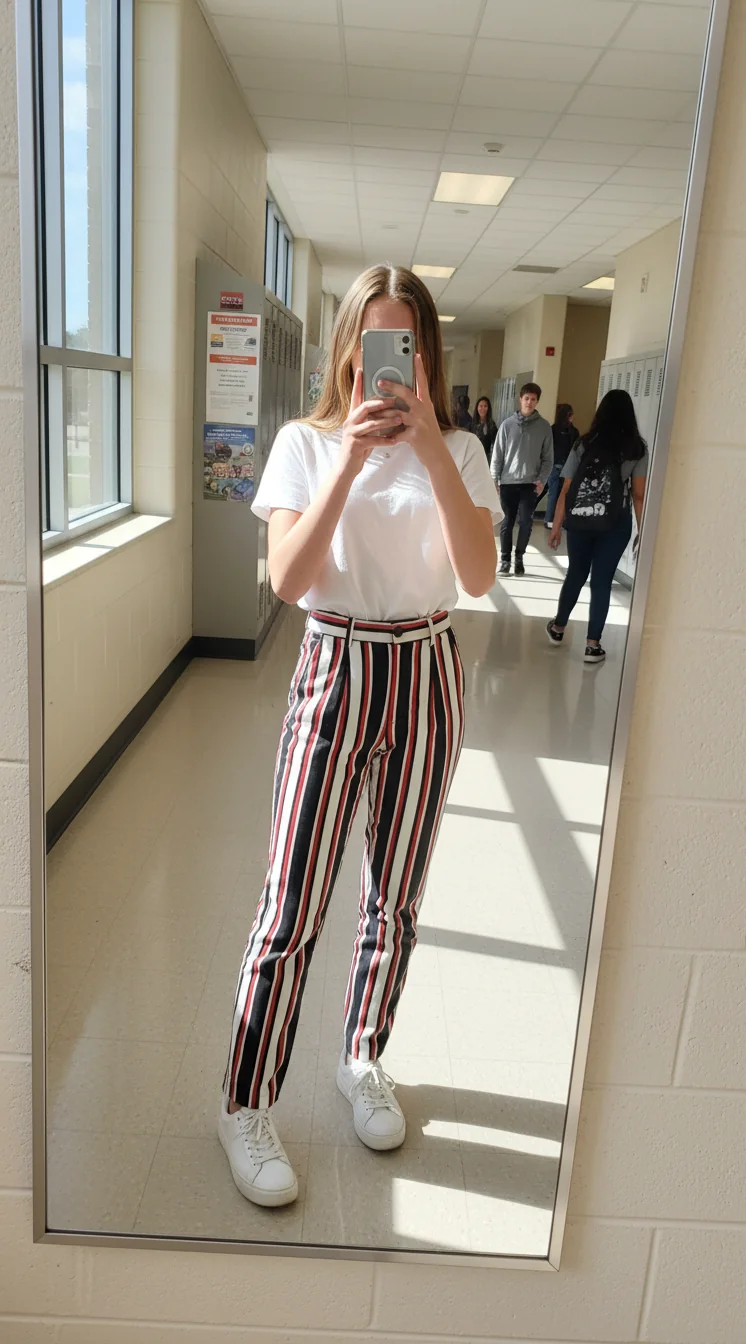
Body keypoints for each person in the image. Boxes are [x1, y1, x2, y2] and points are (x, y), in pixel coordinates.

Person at [218, 264, 501, 1208]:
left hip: (426, 668)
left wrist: (425, 449)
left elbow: (474, 578)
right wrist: (350, 457)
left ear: (426, 352)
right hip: (334, 664)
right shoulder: (302, 443)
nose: (392, 361)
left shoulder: (459, 451)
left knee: (396, 896)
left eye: (408, 344)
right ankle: (246, 1099)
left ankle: (362, 1054)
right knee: (291, 899)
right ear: (349, 348)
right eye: (377, 342)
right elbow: (291, 581)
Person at [546, 388, 647, 663]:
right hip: (616, 523)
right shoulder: (636, 448)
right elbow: (638, 495)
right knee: (602, 581)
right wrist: (643, 530)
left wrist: (556, 526)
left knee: (576, 574)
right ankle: (592, 645)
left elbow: (567, 488)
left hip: (580, 520)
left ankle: (558, 627)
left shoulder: (584, 443)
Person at [490, 382, 553, 577]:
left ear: (537, 401)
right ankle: (505, 559)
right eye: (527, 398)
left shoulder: (543, 427)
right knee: (507, 521)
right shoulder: (508, 425)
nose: (529, 402)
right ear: (520, 399)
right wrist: (494, 479)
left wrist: (542, 479)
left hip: (530, 484)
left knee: (526, 522)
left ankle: (519, 558)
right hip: (508, 482)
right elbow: (497, 454)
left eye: (533, 399)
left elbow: (548, 457)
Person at [544, 403, 579, 528]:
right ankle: (561, 520)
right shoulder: (574, 431)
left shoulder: (553, 429)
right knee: (564, 494)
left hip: (554, 464)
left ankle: (549, 520)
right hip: (568, 466)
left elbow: (548, 448)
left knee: (553, 493)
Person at [471, 396, 498, 465]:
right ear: (477, 408)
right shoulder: (471, 424)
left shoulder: (492, 425)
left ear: (488, 408)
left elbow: (496, 443)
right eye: (480, 406)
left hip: (486, 458)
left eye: (485, 406)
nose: (483, 408)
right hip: (472, 457)